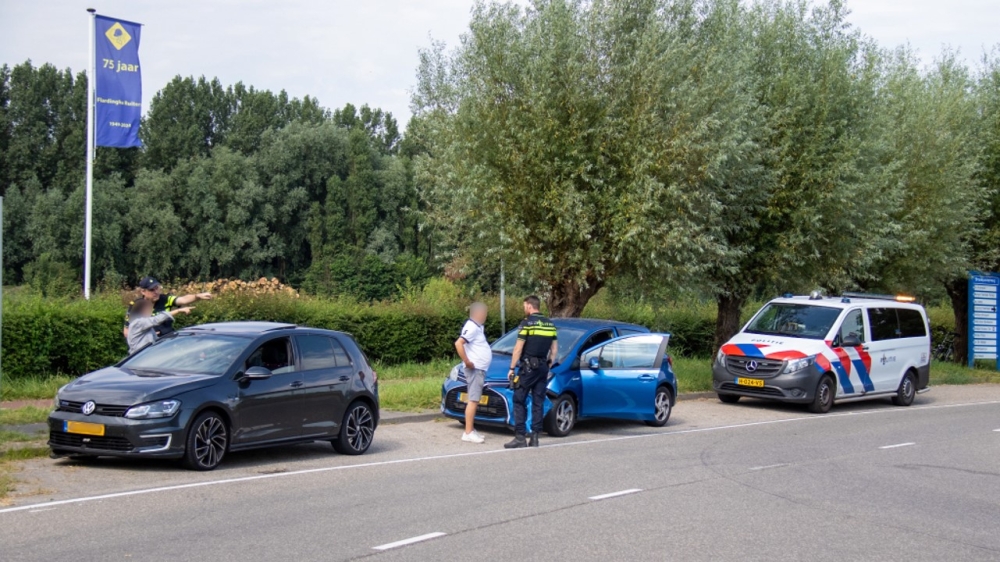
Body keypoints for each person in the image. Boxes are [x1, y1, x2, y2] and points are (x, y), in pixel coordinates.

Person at [504, 296, 558, 449]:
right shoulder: (550, 325)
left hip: (528, 368)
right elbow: (554, 350)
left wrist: (512, 368)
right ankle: (535, 437)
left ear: (529, 306)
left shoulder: (527, 323)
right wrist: (549, 363)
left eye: (524, 306)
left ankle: (520, 437)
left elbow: (518, 348)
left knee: (519, 399)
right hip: (542, 368)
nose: (524, 309)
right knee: (538, 401)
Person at [123, 277, 213, 339]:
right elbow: (127, 332)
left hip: (167, 341)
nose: (156, 292)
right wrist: (149, 336)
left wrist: (197, 296)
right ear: (143, 291)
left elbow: (183, 300)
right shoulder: (136, 305)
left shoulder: (165, 299)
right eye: (152, 290)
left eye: (157, 288)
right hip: (147, 347)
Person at [454, 302, 491, 444]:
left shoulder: (477, 327)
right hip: (475, 369)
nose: (486, 316)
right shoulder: (472, 327)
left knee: (474, 399)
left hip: (479, 369)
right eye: (484, 313)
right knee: (473, 400)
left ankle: (471, 429)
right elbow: (459, 343)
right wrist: (467, 361)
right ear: (477, 313)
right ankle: (468, 432)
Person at [126, 298, 195, 354]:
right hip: (139, 357)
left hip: (145, 356)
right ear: (143, 310)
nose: (151, 311)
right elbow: (156, 320)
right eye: (150, 309)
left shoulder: (143, 323)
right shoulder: (138, 322)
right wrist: (178, 311)